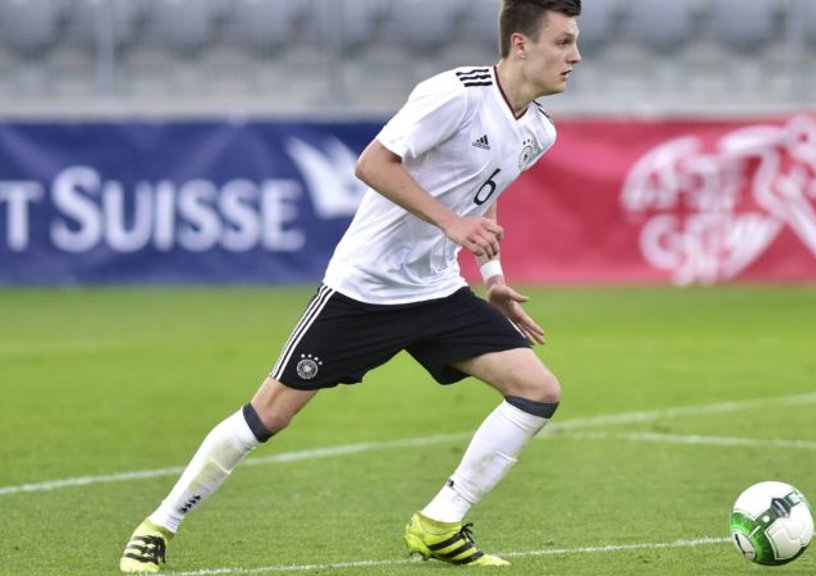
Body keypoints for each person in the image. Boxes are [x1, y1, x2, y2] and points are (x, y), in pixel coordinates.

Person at [119, 0, 583, 571]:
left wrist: (493, 278)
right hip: (364, 288)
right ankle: (158, 525)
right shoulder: (455, 94)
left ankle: (439, 522)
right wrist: (451, 223)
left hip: (435, 289)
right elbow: (372, 164)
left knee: (538, 390)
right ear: (520, 45)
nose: (575, 56)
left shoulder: (539, 130)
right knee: (269, 415)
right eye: (563, 42)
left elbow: (482, 198)